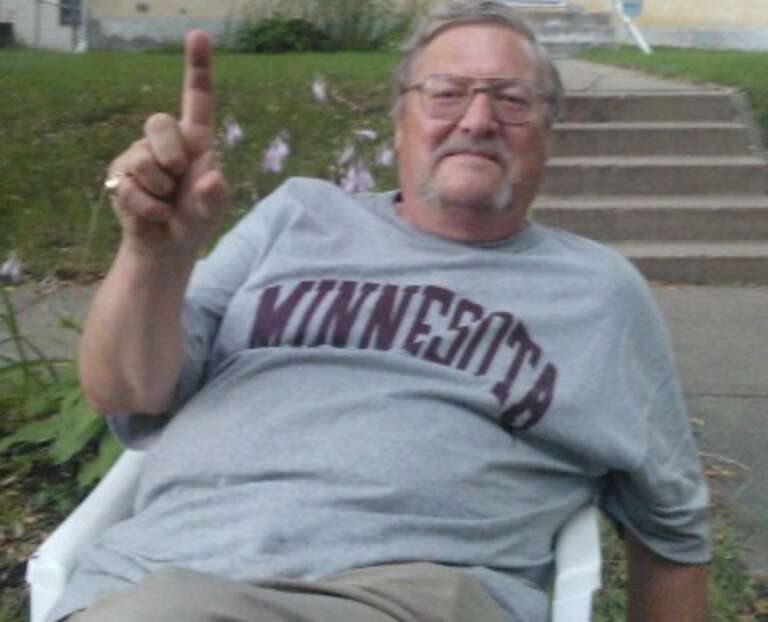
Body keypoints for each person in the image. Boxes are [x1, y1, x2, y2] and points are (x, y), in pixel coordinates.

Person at [50, 2, 710, 620]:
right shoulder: (297, 216)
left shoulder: (599, 293)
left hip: (414, 596)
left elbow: (672, 531)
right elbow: (125, 389)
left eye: (511, 99)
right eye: (447, 93)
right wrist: (151, 257)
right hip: (174, 581)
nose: (477, 120)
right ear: (400, 122)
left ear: (548, 133)